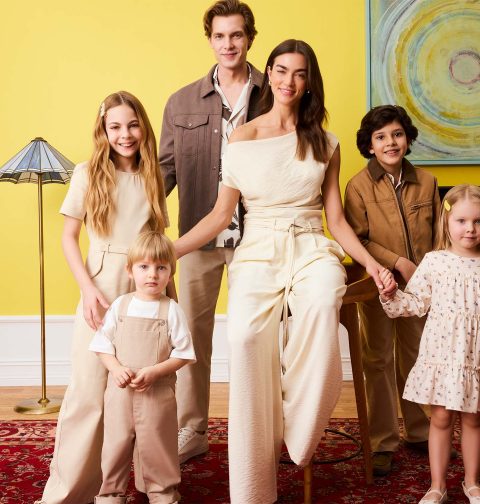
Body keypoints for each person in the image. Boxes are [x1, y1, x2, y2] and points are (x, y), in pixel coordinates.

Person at [174, 39, 394, 504]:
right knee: (245, 338)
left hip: (312, 245)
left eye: (299, 73)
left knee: (323, 300)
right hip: (257, 248)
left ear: (309, 81)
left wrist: (373, 264)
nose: (288, 81)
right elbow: (220, 215)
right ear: (268, 74)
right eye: (280, 70)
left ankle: (300, 426)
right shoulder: (242, 137)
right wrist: (169, 250)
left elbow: (336, 220)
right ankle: (254, 485)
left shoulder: (326, 143)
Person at [36, 91, 169, 504]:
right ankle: (70, 491)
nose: (125, 134)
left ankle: (149, 486)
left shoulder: (153, 174)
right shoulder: (86, 173)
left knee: (145, 392)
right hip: (103, 285)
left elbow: (158, 240)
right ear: (103, 130)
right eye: (115, 127)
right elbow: (68, 237)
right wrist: (88, 288)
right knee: (89, 391)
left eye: (132, 125)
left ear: (143, 127)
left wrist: (169, 297)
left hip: (145, 284)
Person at [159, 0, 263, 464]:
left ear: (250, 37)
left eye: (236, 35)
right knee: (191, 337)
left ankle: (256, 431)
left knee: (253, 336)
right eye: (220, 36)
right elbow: (163, 171)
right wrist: (134, 215)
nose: (228, 44)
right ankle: (192, 429)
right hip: (198, 236)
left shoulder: (274, 94)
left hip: (257, 239)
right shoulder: (181, 102)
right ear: (209, 40)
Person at [344, 105, 441, 476]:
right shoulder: (357, 186)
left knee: (416, 357)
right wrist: (397, 262)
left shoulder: (427, 182)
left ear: (408, 139)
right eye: (381, 136)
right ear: (369, 145)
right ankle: (382, 440)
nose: (391, 142)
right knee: (378, 359)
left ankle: (418, 431)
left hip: (420, 289)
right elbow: (358, 239)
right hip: (378, 286)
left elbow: (438, 235)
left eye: (397, 134)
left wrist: (430, 274)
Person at [378, 184, 480, 504]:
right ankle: (438, 486)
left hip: (475, 357)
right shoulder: (435, 262)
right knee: (441, 418)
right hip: (443, 355)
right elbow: (415, 303)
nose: (470, 228)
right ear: (446, 222)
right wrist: (391, 294)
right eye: (462, 221)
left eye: (478, 221)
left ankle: (472, 482)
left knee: (473, 418)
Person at [90, 231, 195, 504]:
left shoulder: (172, 310)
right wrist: (115, 368)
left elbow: (184, 353)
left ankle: (161, 491)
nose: (152, 274)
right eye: (144, 267)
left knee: (158, 444)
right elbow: (102, 344)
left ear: (170, 273)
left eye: (161, 268)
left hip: (157, 393)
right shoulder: (120, 306)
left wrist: (155, 372)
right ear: (130, 270)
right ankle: (110, 493)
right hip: (120, 393)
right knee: (115, 444)